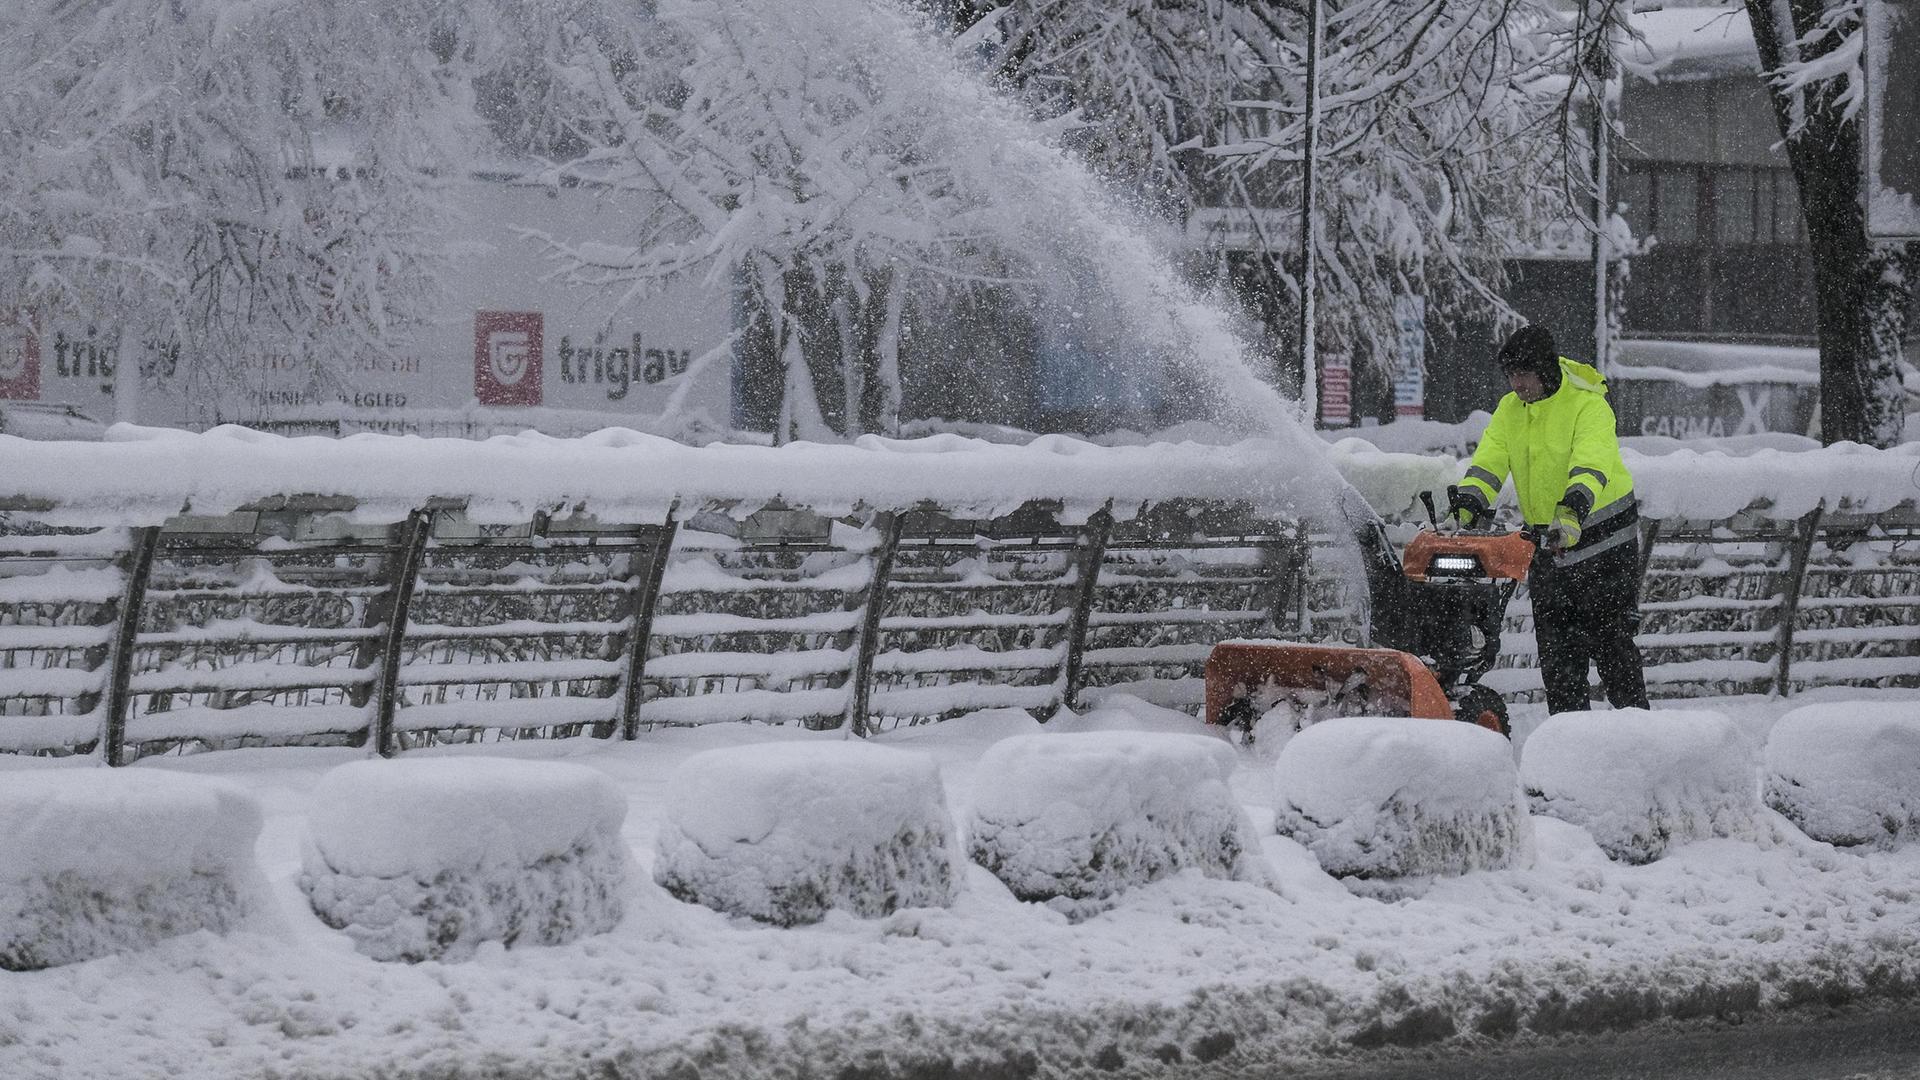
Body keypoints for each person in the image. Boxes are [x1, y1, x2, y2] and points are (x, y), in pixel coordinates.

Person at [1447, 325, 1650, 715]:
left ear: (1545, 370)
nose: (1516, 384)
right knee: (1559, 661)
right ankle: (1570, 743)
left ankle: (1636, 736)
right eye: (1510, 375)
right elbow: (1490, 461)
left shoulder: (1588, 406)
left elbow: (1591, 461)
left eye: (1523, 374)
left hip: (1604, 542)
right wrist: (1471, 499)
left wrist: (1573, 508)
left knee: (1613, 651)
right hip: (1551, 543)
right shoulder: (1511, 410)